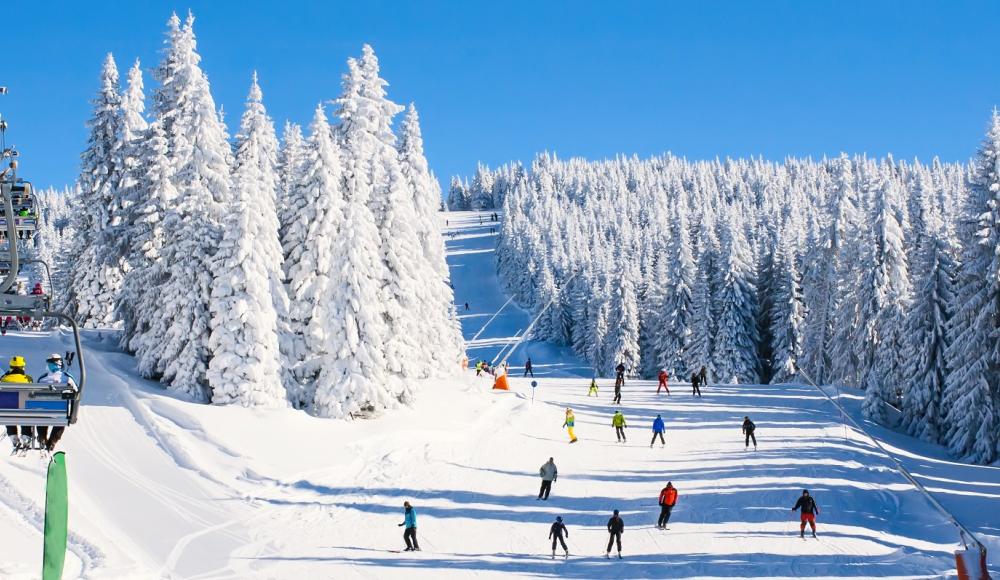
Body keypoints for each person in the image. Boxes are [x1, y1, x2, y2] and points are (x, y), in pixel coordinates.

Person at [35, 353, 78, 451]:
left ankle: (42, 437)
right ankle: (52, 441)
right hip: (60, 413)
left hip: (43, 412)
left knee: (41, 416)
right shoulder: (67, 378)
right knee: (61, 420)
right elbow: (76, 392)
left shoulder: (42, 379)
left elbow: (36, 395)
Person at [3, 355, 35, 451]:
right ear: (23, 366)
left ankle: (13, 435)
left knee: (7, 411)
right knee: (25, 411)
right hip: (23, 410)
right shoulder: (28, 379)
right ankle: (26, 435)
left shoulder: (4, 379)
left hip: (6, 411)